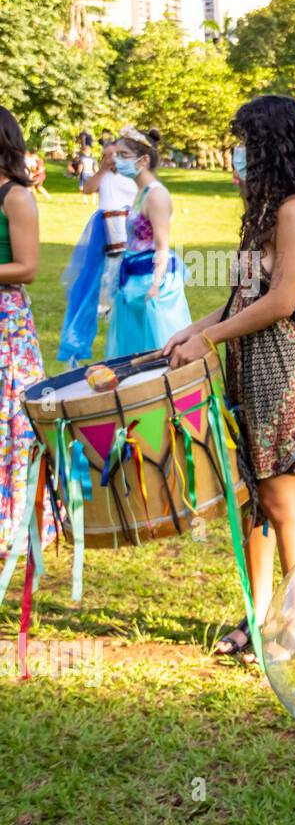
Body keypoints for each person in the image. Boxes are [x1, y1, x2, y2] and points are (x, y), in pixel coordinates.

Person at [164, 95, 295, 660]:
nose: (236, 156)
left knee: (282, 501)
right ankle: (257, 614)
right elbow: (240, 299)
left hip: (281, 373)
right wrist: (189, 330)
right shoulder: (263, 215)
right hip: (249, 371)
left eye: (244, 144)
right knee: (255, 503)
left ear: (271, 146)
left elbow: (283, 301)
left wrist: (210, 339)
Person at [0, 109, 55, 551]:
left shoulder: (15, 197)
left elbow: (29, 267)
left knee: (8, 419)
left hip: (6, 320)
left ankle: (11, 519)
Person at [104, 128, 192, 358]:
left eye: (123, 155)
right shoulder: (139, 192)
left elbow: (162, 245)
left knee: (157, 352)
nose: (117, 160)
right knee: (133, 352)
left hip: (152, 282)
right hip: (134, 280)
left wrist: (156, 285)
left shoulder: (156, 195)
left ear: (143, 160)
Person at [57, 138, 138, 363]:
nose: (110, 159)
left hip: (127, 229)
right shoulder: (104, 176)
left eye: (115, 155)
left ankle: (118, 303)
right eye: (106, 156)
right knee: (103, 269)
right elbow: (88, 189)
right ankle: (105, 304)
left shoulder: (129, 177)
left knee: (125, 266)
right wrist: (102, 170)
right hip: (106, 231)